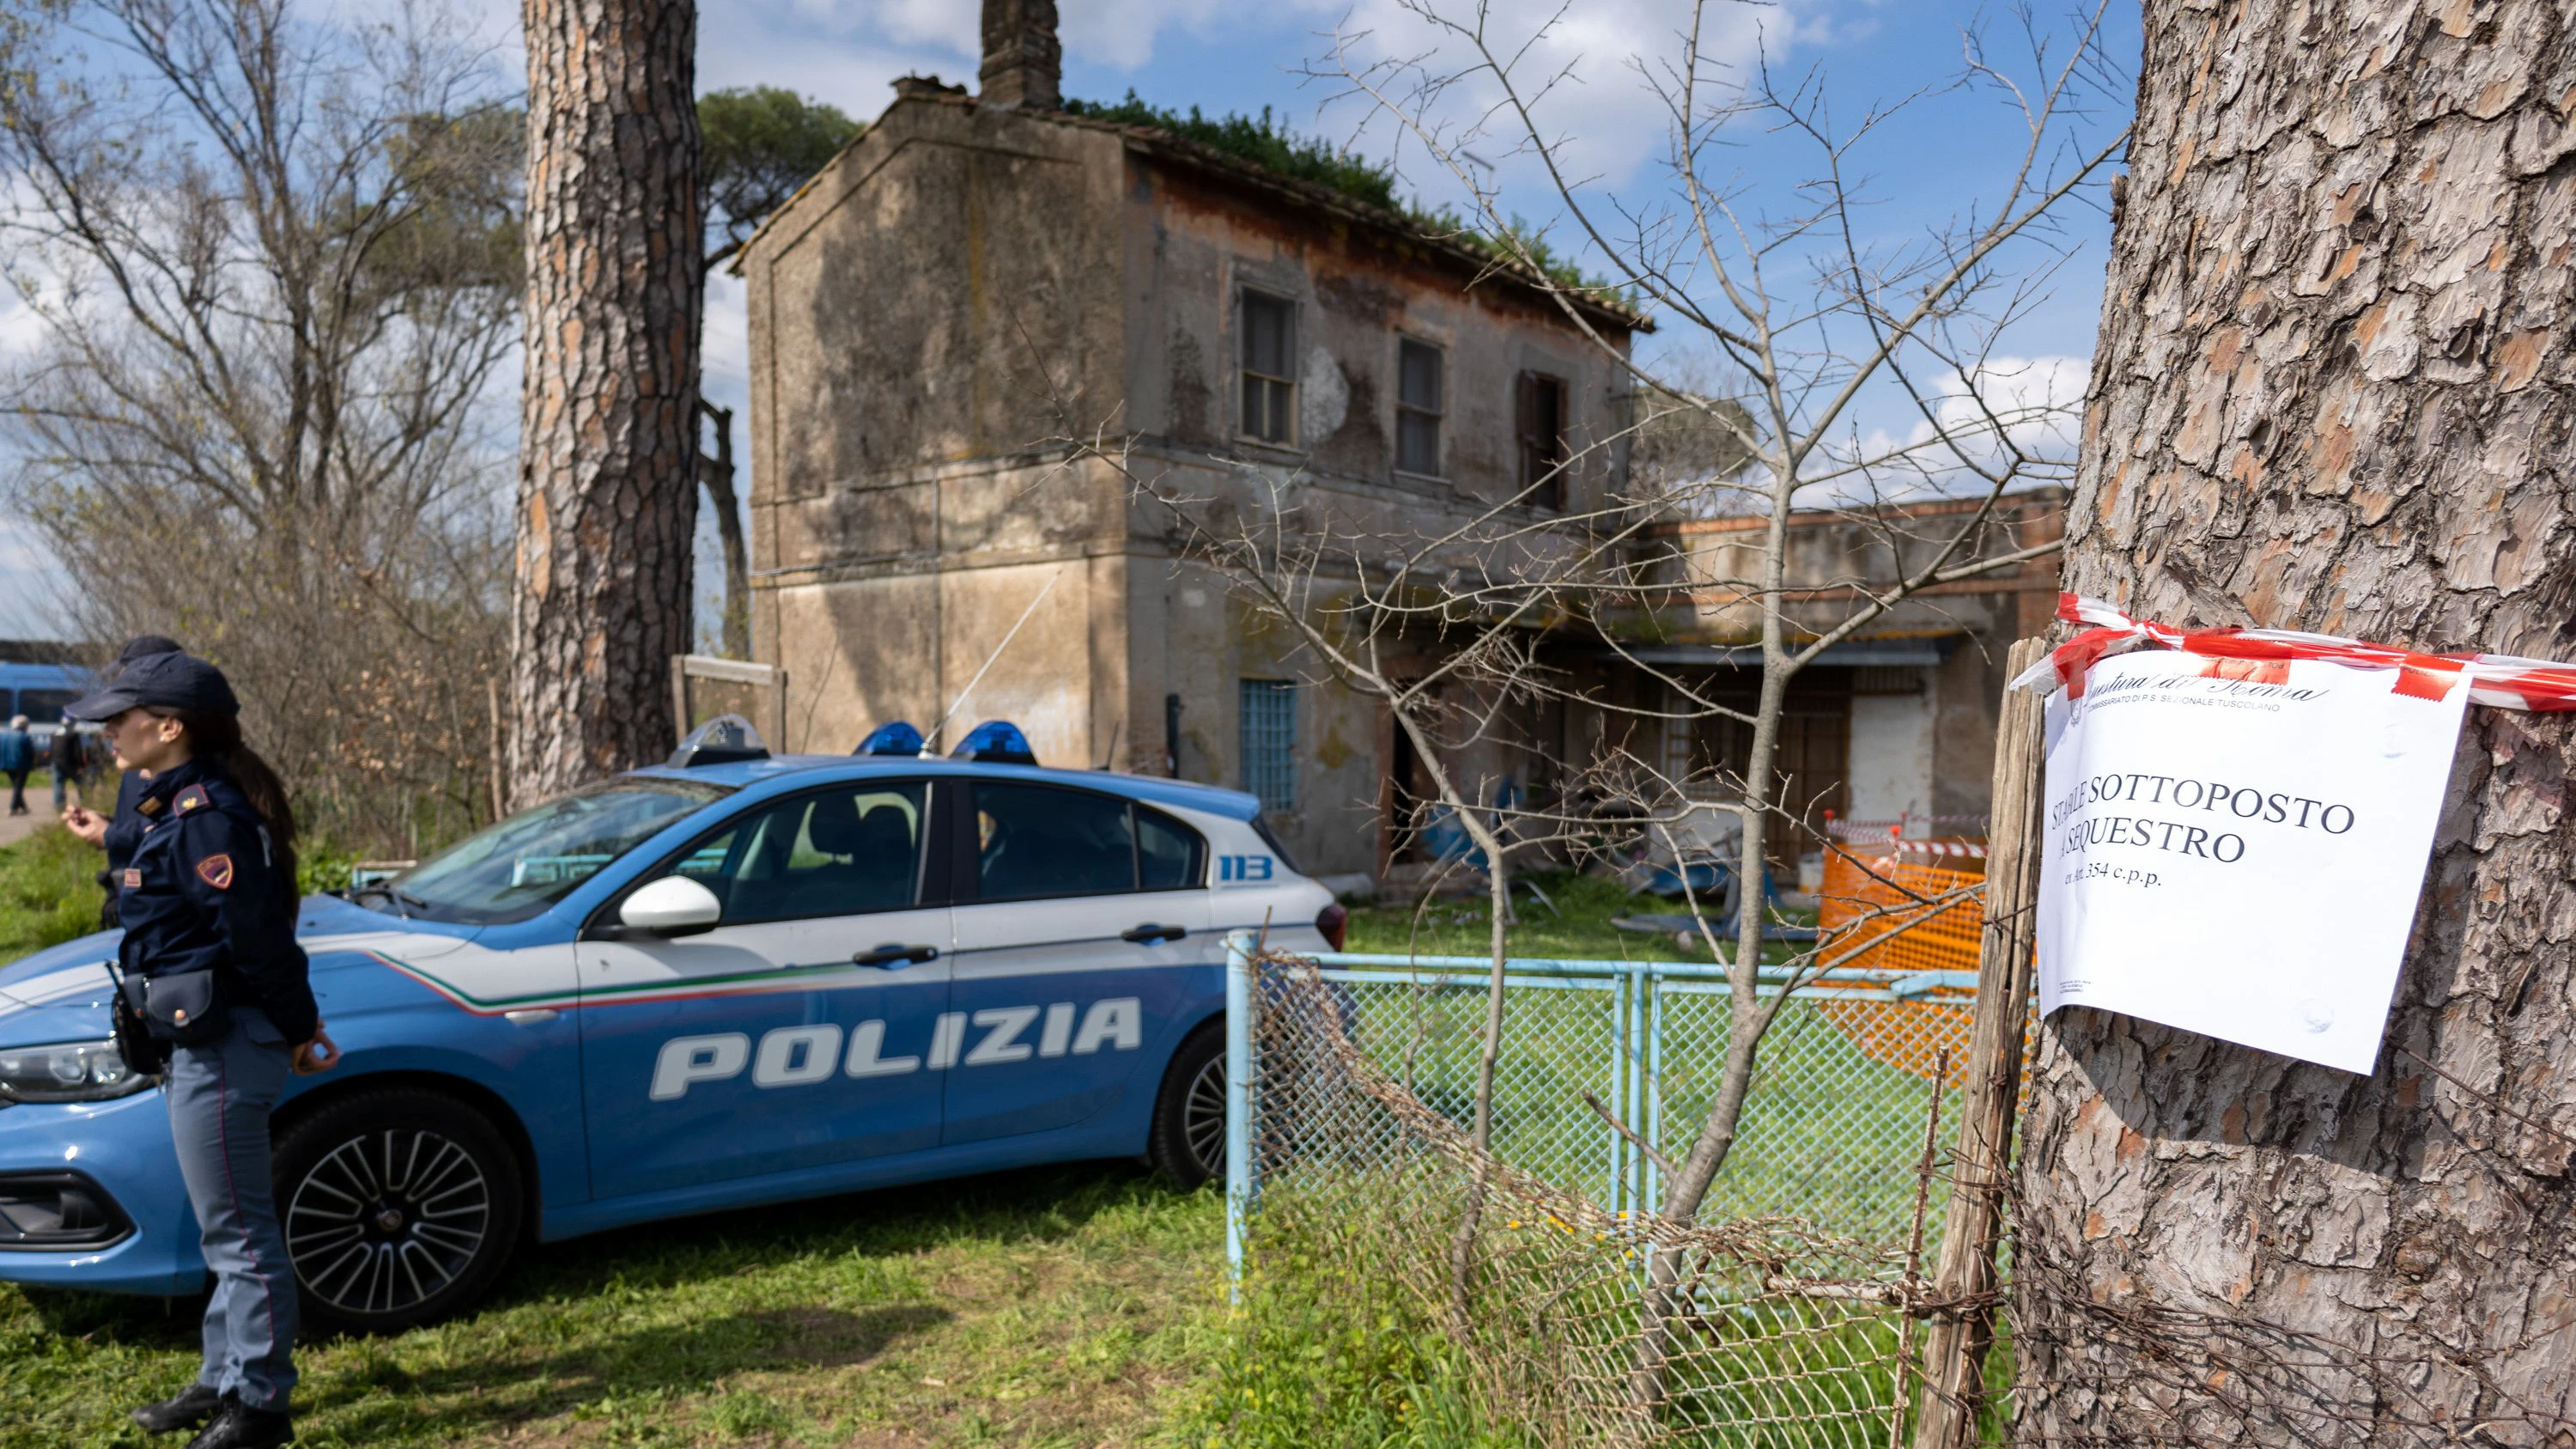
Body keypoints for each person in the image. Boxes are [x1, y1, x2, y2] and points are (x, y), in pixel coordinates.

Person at [58, 651, 337, 1449]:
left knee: (241, 1237)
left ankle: (259, 1406)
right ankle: (224, 1377)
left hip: (224, 1046)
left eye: (123, 717)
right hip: (196, 1041)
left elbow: (258, 940)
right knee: (226, 1229)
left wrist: (300, 1029)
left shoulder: (207, 817)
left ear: (171, 726)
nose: (111, 731)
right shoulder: (174, 808)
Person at [64, 635, 186, 928]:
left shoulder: (193, 773)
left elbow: (180, 831)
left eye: (123, 715)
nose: (109, 731)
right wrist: (105, 824)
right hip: (130, 900)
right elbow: (146, 821)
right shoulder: (138, 763)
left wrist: (111, 835)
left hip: (162, 917)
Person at [48, 709, 85, 813]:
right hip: (71, 764)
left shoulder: (54, 733)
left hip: (56, 763)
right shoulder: (73, 734)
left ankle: (59, 807)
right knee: (81, 784)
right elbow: (77, 751)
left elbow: (52, 749)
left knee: (58, 785)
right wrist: (80, 766)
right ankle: (86, 801)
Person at [0, 715, 30, 815]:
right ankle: (13, 808)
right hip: (21, 765)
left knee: (16, 786)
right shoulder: (25, 736)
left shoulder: (3, 735)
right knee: (18, 787)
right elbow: (30, 752)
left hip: (6, 765)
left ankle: (24, 807)